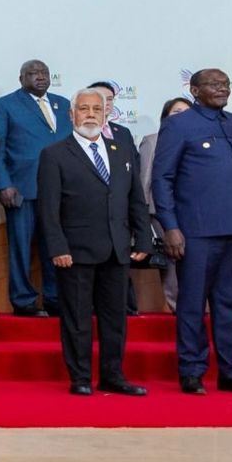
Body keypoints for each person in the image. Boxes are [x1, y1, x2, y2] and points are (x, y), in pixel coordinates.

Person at [152, 68, 232, 396]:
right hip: (196, 231)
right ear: (194, 89)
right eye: (213, 85)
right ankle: (192, 371)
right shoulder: (178, 124)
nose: (221, 89)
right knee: (192, 303)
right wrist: (171, 227)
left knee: (229, 304)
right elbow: (162, 178)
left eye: (225, 84)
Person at [38, 89, 152, 396]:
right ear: (71, 115)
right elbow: (48, 210)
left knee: (116, 319)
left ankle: (113, 376)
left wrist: (143, 237)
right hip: (74, 252)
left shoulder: (121, 151)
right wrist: (58, 248)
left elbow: (135, 200)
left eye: (96, 109)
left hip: (117, 249)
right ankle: (81, 378)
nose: (90, 114)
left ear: (105, 115)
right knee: (77, 320)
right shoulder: (55, 154)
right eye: (83, 109)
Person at [0, 60, 71, 317]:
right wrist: (2, 183)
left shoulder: (64, 103)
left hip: (61, 190)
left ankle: (55, 298)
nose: (41, 77)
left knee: (56, 246)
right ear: (21, 78)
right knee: (21, 249)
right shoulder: (4, 106)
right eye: (33, 73)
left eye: (44, 72)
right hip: (21, 189)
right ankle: (23, 300)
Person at [88, 81, 140, 315]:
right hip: (91, 213)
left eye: (109, 99)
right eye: (100, 98)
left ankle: (124, 305)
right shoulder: (77, 134)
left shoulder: (122, 132)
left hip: (121, 209)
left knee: (120, 259)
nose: (105, 103)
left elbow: (134, 172)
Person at [138, 97, 192, 312]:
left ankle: (194, 308)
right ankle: (178, 307)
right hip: (161, 212)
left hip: (194, 211)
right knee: (172, 262)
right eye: (177, 112)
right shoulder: (153, 140)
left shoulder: (200, 139)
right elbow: (145, 180)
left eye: (187, 112)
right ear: (166, 117)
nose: (182, 117)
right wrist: (142, 216)